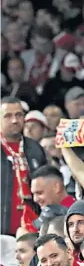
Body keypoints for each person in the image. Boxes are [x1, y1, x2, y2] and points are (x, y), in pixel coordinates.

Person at [1, 96, 47, 235]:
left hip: (31, 230)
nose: (15, 120)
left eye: (19, 115)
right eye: (8, 116)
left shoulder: (35, 148)